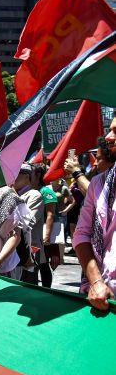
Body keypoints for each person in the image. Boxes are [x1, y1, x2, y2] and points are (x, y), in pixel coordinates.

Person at [74, 118, 116, 311]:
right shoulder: (99, 184)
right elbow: (82, 234)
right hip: (104, 296)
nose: (108, 137)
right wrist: (96, 282)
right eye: (110, 130)